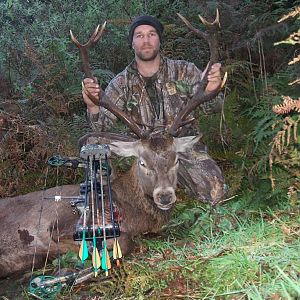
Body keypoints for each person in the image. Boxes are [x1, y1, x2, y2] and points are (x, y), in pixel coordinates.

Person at [82, 15, 225, 205]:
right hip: (142, 149)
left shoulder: (185, 71)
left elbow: (214, 108)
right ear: (132, 43)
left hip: (177, 147)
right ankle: (104, 202)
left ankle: (179, 182)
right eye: (139, 35)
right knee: (93, 143)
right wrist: (92, 106)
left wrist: (211, 89)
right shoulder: (120, 83)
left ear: (159, 40)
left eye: (151, 34)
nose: (146, 40)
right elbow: (101, 126)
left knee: (215, 191)